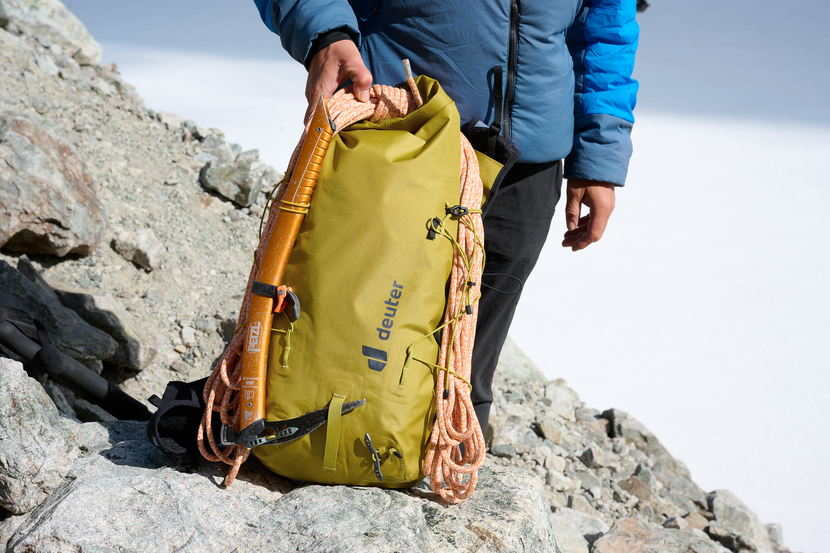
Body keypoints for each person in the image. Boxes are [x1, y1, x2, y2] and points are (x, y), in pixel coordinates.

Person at [252, 0, 639, 439]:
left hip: (528, 161)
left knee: (466, 367)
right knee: (349, 330)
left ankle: (446, 455)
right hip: (400, 130)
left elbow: (606, 22)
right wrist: (324, 34)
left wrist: (598, 153)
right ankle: (300, 439)